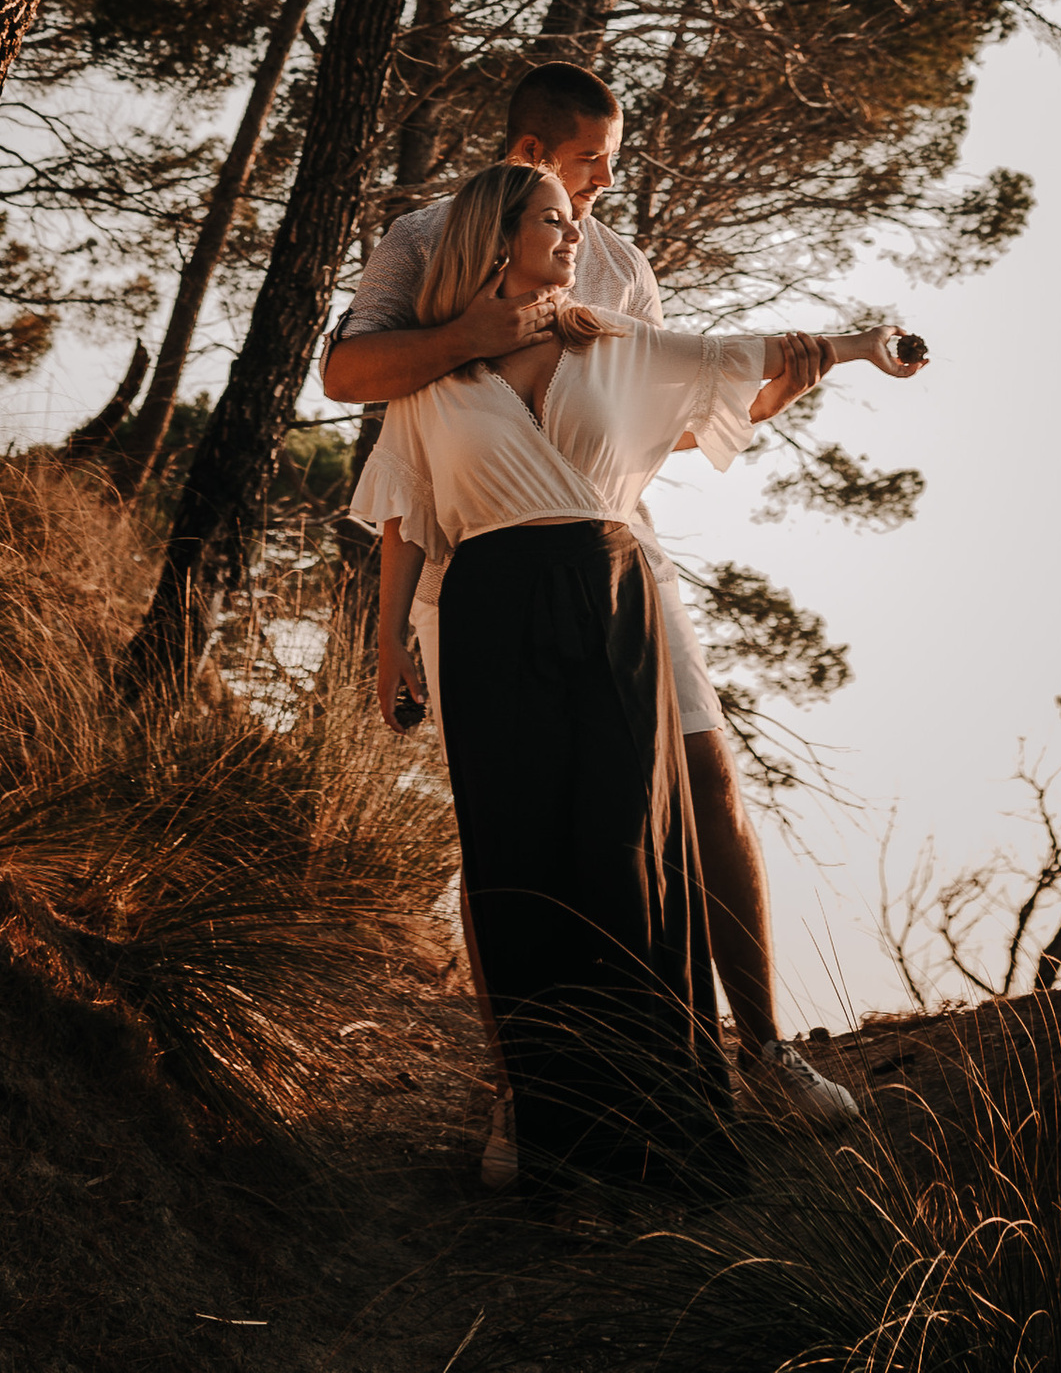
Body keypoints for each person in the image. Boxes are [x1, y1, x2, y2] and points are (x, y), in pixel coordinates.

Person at [348, 157, 925, 1194]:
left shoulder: (615, 346)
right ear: (496, 237)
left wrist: (855, 348)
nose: (575, 238)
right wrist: (389, 642)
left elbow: (737, 362)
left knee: (629, 850)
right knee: (515, 859)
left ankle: (666, 1125)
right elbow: (403, 515)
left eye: (573, 222)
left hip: (612, 597)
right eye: (553, 221)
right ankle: (542, 1124)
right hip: (486, 607)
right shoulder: (430, 374)